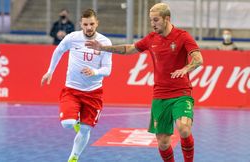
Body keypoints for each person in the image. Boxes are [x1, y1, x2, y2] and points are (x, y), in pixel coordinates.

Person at [85, 3, 203, 162]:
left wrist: (186, 69)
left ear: (167, 19)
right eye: (151, 20)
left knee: (183, 128)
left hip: (181, 94)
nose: (153, 24)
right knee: (162, 143)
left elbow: (198, 59)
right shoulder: (151, 38)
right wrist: (104, 48)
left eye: (156, 20)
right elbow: (129, 49)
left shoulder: (182, 36)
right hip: (160, 96)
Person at [41, 9, 112, 162]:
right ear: (81, 24)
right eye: (85, 24)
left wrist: (95, 71)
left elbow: (107, 70)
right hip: (72, 90)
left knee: (86, 130)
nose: (89, 27)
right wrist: (50, 71)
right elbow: (59, 51)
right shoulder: (72, 38)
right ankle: (76, 122)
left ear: (97, 23)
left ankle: (74, 157)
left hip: (93, 93)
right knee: (68, 124)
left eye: (92, 24)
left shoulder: (105, 42)